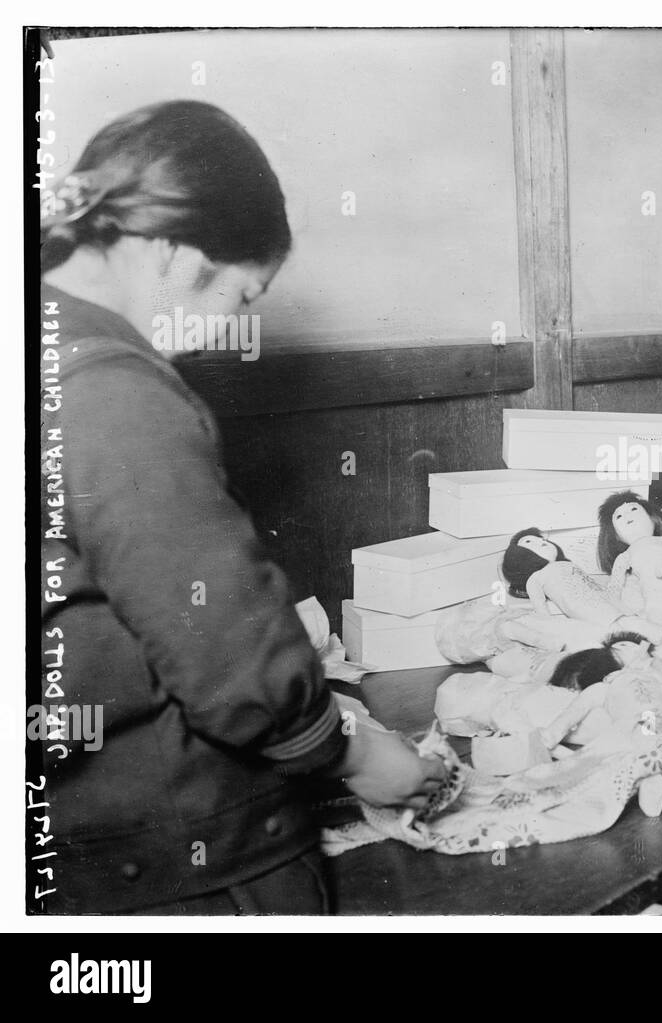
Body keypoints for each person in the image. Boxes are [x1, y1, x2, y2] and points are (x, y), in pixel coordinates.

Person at [39, 100, 445, 914]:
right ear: (173, 253)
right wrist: (354, 752)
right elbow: (226, 649)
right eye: (244, 295)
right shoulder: (116, 393)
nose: (230, 328)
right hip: (188, 855)